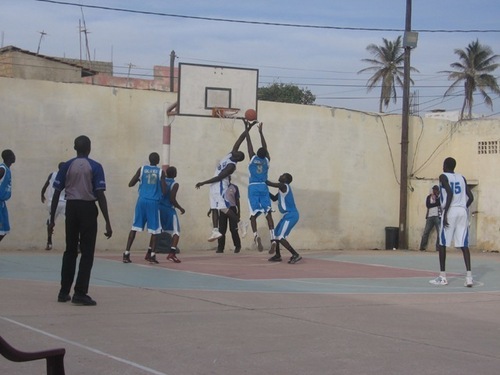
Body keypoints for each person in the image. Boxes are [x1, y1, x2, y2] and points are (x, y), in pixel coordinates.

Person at [49, 136, 112, 306]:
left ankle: (63, 292)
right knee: (87, 252)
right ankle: (80, 293)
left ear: (74, 148)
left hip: (71, 208)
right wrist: (107, 220)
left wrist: (51, 218)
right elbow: (100, 194)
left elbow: (56, 192)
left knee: (70, 250)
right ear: (89, 148)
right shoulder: (96, 166)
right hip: (88, 209)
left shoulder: (67, 165)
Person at [196, 126, 249, 242]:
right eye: (237, 151)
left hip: (220, 185)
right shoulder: (231, 154)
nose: (236, 152)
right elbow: (240, 140)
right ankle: (215, 230)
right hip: (214, 185)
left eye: (238, 154)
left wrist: (203, 182)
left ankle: (241, 223)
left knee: (223, 208)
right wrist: (247, 128)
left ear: (238, 159)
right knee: (214, 207)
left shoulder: (231, 166)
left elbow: (219, 177)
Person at [430, 157, 474, 287]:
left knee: (442, 244)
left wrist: (447, 212)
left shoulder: (443, 176)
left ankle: (442, 277)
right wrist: (464, 207)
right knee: (464, 245)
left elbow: (449, 193)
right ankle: (469, 277)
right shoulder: (462, 177)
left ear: (445, 165)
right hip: (462, 211)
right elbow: (471, 197)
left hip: (451, 210)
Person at [123, 152, 166, 265]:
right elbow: (164, 190)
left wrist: (139, 180)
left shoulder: (141, 169)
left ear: (149, 159)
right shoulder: (160, 172)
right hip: (153, 202)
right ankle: (152, 255)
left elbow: (130, 184)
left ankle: (126, 253)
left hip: (141, 201)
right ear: (158, 161)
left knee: (134, 227)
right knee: (155, 230)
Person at [244, 121, 276, 253]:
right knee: (268, 214)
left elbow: (249, 145)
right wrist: (261, 132)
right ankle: (273, 239)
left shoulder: (252, 158)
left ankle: (256, 236)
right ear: (265, 154)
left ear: (257, 153)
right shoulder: (267, 160)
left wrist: (247, 130)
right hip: (263, 187)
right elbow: (265, 147)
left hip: (253, 188)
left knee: (253, 215)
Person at [266, 173, 302, 264]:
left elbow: (270, 183)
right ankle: (277, 255)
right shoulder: (281, 189)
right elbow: (274, 198)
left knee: (281, 237)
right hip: (287, 215)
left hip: (291, 215)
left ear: (286, 180)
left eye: (283, 175)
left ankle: (296, 255)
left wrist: (261, 180)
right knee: (276, 235)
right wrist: (265, 191)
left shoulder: (284, 185)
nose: (280, 175)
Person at [160, 166, 185, 263]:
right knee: (176, 232)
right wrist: (180, 207)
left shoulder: (161, 181)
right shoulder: (175, 184)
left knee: (156, 231)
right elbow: (172, 199)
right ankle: (172, 253)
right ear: (174, 174)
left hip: (159, 208)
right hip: (169, 209)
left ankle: (150, 252)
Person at [41, 162, 66, 250]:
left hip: (54, 202)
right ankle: (76, 243)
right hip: (64, 202)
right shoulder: (67, 175)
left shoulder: (52, 175)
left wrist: (42, 194)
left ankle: (49, 242)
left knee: (51, 222)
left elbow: (45, 186)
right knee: (71, 222)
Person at [214, 176, 242, 253]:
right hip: (223, 209)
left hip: (232, 209)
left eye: (227, 178)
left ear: (230, 179)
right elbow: (216, 199)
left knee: (233, 229)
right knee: (222, 230)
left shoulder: (234, 187)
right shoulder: (220, 188)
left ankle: (237, 246)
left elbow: (237, 200)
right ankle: (220, 248)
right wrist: (212, 209)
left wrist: (238, 212)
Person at [419, 185, 441, 252]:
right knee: (426, 232)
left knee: (439, 232)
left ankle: (438, 248)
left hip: (437, 216)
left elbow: (439, 203)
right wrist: (436, 204)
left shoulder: (439, 197)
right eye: (434, 190)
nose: (435, 191)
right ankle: (422, 247)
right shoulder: (429, 197)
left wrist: (436, 202)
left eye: (436, 190)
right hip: (430, 216)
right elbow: (428, 205)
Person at [0, 149, 16, 243]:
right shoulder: (2, 169)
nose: (15, 157)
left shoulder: (7, 169)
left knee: (5, 229)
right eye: (13, 155)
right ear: (9, 157)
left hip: (2, 203)